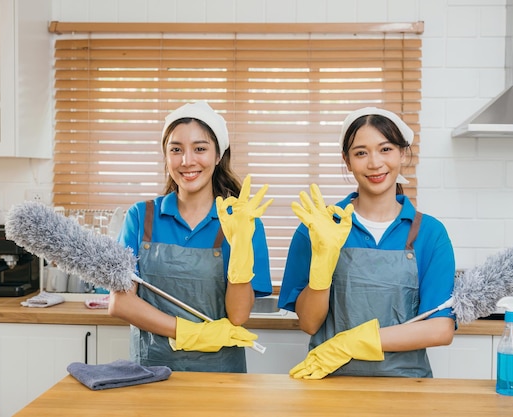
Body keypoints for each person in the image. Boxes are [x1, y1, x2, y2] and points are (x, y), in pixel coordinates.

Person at [278, 107, 456, 379]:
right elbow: (309, 323)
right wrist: (322, 266)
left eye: (385, 149)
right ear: (347, 161)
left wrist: (354, 342)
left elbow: (440, 328)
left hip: (408, 387)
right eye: (361, 152)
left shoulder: (430, 233)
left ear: (402, 154)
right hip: (330, 383)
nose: (374, 163)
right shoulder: (318, 226)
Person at [109, 101, 273, 373]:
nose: (187, 161)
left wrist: (242, 247)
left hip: (221, 376)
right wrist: (187, 332)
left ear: (219, 155)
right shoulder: (141, 217)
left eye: (200, 148)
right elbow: (120, 302)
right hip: (151, 373)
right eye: (176, 149)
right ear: (165, 155)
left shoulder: (242, 222)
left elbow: (239, 316)